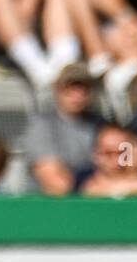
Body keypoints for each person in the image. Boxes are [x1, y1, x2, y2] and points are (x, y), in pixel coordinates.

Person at [25, 63, 106, 196]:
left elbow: (127, 158)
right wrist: (101, 187)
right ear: (56, 89)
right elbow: (56, 184)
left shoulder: (102, 124)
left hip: (100, 197)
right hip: (54, 206)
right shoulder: (42, 126)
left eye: (84, 88)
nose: (78, 94)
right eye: (71, 88)